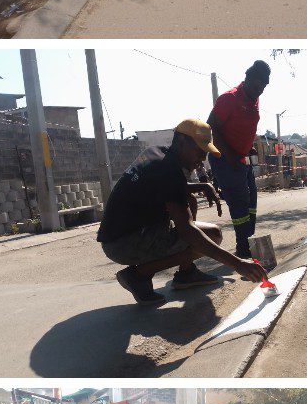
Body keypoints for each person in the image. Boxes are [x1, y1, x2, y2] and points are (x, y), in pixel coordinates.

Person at [98, 120, 266, 305]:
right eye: (200, 150)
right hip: (124, 243)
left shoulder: (157, 153)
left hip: (119, 235)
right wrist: (239, 264)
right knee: (211, 236)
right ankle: (137, 275)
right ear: (181, 142)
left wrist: (201, 185)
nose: (202, 157)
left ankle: (186, 273)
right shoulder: (169, 171)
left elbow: (164, 186)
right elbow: (187, 231)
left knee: (190, 202)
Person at [208, 61, 270, 261]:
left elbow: (242, 126)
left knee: (251, 202)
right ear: (247, 79)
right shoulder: (229, 98)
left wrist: (247, 146)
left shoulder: (254, 98)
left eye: (263, 88)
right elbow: (212, 127)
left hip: (242, 158)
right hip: (225, 160)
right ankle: (243, 248)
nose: (258, 91)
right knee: (240, 204)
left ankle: (249, 242)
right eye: (256, 86)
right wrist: (230, 155)